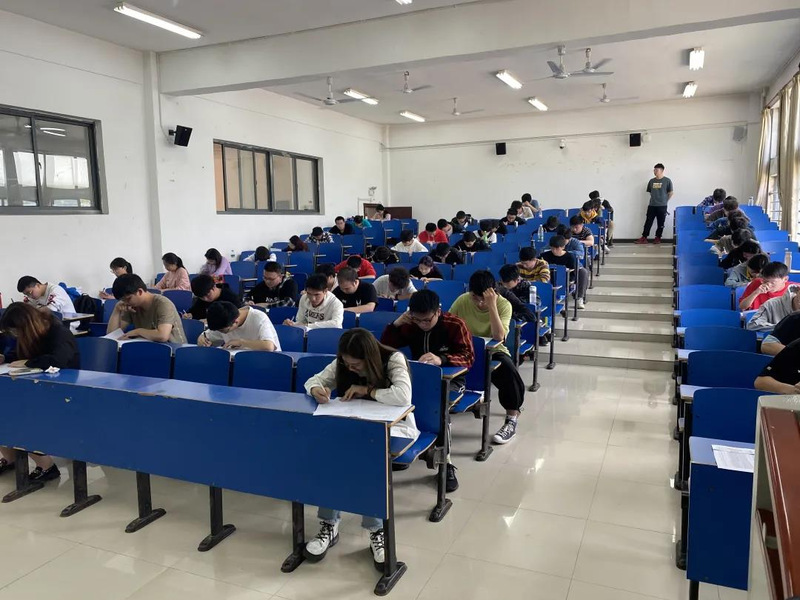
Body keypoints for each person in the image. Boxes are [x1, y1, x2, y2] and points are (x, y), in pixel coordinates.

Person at [303, 328, 416, 566]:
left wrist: (368, 391)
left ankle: (376, 530)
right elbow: (314, 380)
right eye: (347, 364)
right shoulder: (344, 362)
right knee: (330, 458)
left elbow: (403, 396)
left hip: (391, 427)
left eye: (355, 365)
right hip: (354, 424)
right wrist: (316, 390)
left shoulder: (393, 359)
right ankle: (329, 524)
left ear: (370, 357)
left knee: (367, 460)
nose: (350, 368)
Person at [381, 289, 475, 491]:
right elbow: (384, 348)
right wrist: (396, 325)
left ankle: (445, 463)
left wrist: (442, 359)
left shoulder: (454, 324)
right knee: (396, 400)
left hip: (450, 380)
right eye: (417, 319)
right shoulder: (410, 324)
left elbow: (468, 357)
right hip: (418, 379)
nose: (422, 324)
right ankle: (405, 449)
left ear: (438, 312)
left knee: (438, 409)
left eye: (426, 320)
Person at [0, 303, 80, 481]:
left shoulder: (59, 333)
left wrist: (28, 362)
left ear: (26, 325)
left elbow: (59, 360)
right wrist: (5, 358)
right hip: (36, 388)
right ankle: (10, 458)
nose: (15, 335)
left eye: (15, 331)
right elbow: (19, 354)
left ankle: (47, 466)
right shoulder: (31, 334)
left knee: (18, 415)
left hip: (64, 391)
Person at [449, 271, 525, 444]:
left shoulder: (504, 305)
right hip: (465, 348)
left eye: (483, 298)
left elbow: (499, 336)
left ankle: (511, 419)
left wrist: (492, 306)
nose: (479, 303)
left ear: (493, 292)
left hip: (493, 350)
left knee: (509, 371)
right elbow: (449, 325)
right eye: (475, 298)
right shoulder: (462, 300)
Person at [107, 274, 187, 343]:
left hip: (174, 349)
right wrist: (117, 310)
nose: (126, 303)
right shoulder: (131, 305)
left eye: (128, 299)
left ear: (140, 292)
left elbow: (163, 336)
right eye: (123, 300)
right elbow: (112, 336)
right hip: (150, 346)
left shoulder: (163, 304)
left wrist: (137, 332)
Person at [199, 301, 280, 351]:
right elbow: (206, 336)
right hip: (240, 363)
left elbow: (269, 346)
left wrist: (241, 342)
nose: (221, 332)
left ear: (236, 322)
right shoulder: (223, 319)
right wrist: (202, 338)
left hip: (267, 361)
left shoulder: (258, 317)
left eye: (224, 331)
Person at [540, 234, 590, 309]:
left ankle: (579, 298)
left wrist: (570, 281)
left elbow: (573, 273)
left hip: (565, 280)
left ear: (563, 247)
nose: (554, 251)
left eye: (557, 248)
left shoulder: (570, 257)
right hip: (549, 279)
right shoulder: (544, 256)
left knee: (583, 272)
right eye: (552, 248)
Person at [635, 163, 674, 244]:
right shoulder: (651, 181)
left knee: (661, 223)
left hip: (662, 206)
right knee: (648, 222)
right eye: (654, 170)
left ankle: (658, 238)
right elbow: (651, 192)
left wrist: (665, 201)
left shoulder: (667, 181)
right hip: (652, 205)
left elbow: (670, 193)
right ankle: (644, 238)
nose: (654, 171)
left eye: (656, 170)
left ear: (662, 171)